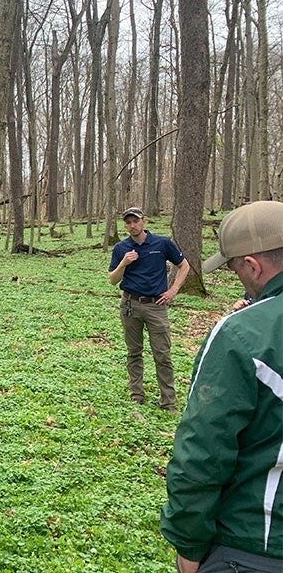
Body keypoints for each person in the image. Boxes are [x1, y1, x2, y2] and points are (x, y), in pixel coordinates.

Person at [160, 200, 283, 573]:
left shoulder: (243, 335)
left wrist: (189, 542)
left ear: (252, 265)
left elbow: (203, 452)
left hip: (255, 545)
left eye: (233, 268)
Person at [108, 207, 190, 413]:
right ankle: (136, 394)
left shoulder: (161, 243)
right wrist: (124, 263)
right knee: (134, 352)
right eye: (128, 222)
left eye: (135, 221)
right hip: (130, 304)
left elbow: (184, 266)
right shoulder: (121, 248)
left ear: (143, 221)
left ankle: (168, 401)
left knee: (162, 354)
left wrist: (173, 290)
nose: (132, 226)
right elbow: (112, 279)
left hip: (157, 305)